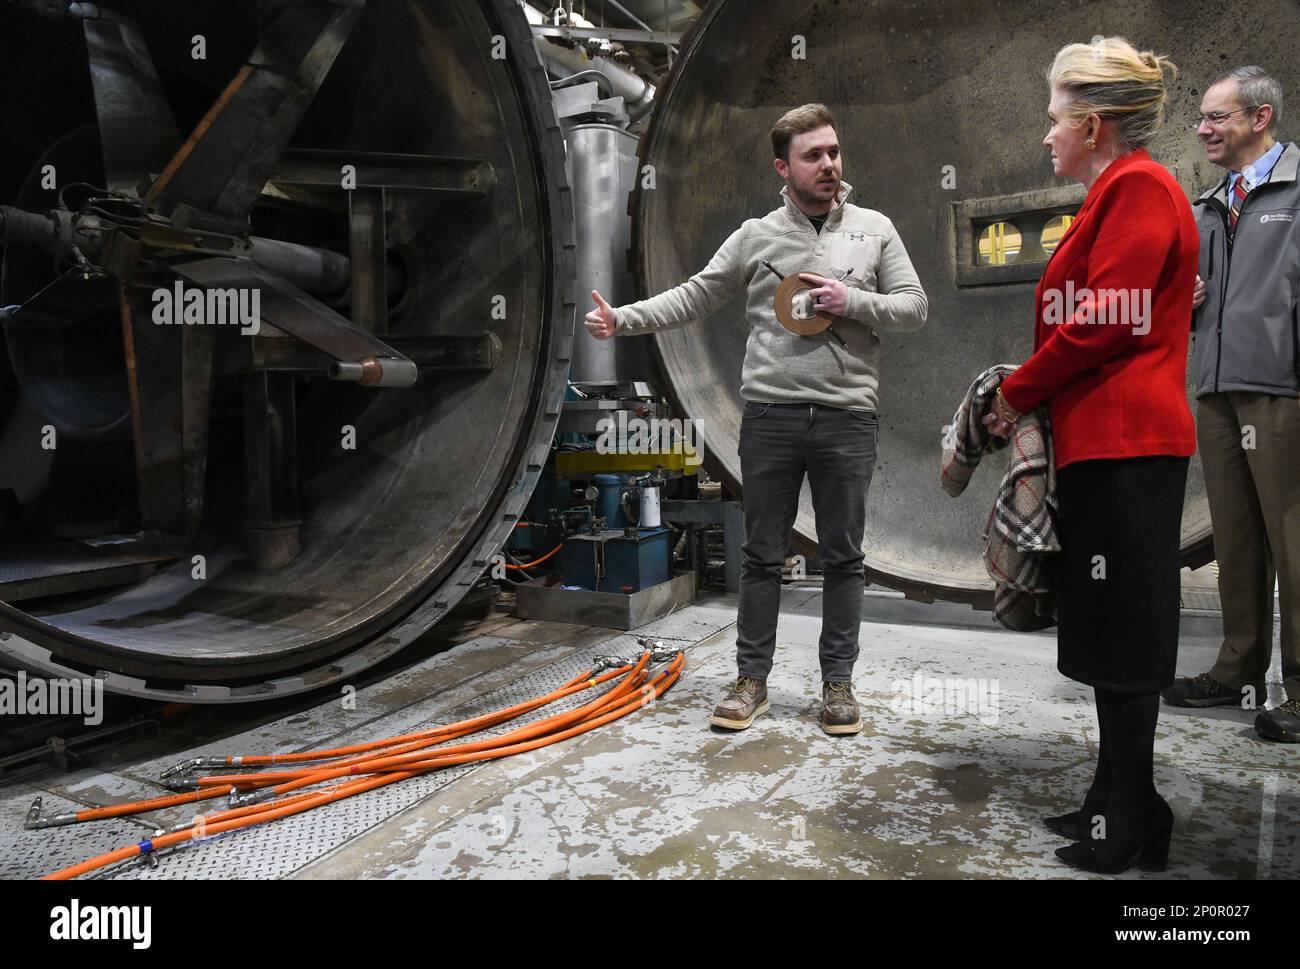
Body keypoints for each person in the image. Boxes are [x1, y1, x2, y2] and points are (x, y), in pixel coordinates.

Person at [584, 103, 927, 735]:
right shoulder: (756, 235)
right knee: (762, 554)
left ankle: (838, 686)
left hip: (848, 417)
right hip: (770, 415)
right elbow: (694, 294)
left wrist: (852, 299)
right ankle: (751, 682)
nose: (829, 165)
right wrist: (622, 318)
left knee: (843, 557)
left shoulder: (875, 229)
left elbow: (914, 306)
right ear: (783, 167)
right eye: (813, 156)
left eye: (834, 152)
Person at [984, 38, 1198, 873]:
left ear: (1095, 124)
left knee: (1126, 634)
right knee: (1110, 630)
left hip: (1127, 441)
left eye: (1055, 121)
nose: (1046, 136)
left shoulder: (1139, 187)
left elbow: (1107, 319)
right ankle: (1114, 800)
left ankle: (1135, 813)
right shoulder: (1113, 193)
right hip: (1104, 442)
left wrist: (1018, 391)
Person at [1163, 66, 1300, 744]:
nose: (1203, 128)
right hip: (1216, 388)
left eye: (1217, 117)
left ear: (1260, 117)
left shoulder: (1297, 190)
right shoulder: (1210, 203)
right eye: (1202, 117)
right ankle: (1238, 670)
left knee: (1294, 542)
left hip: (1282, 388)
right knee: (1238, 540)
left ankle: (1299, 689)